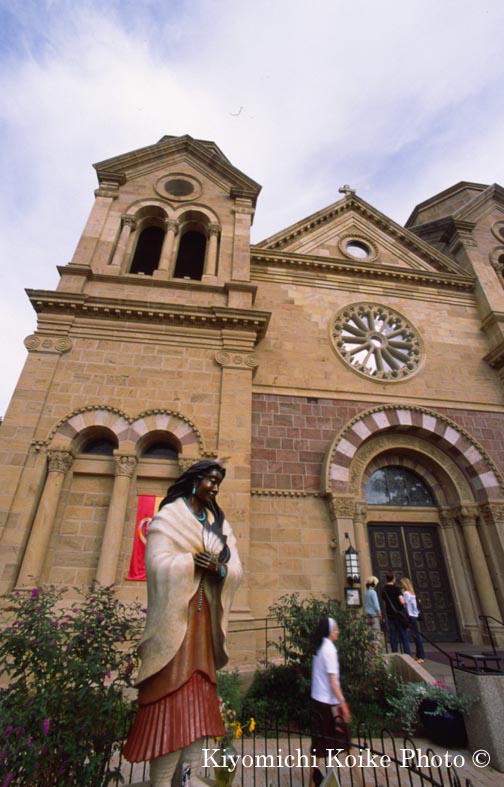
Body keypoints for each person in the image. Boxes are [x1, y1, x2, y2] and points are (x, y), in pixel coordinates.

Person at [123, 460, 243, 787]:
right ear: (194, 480)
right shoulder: (169, 517)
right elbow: (156, 562)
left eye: (218, 483)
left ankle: (188, 777)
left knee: (199, 705)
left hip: (204, 626)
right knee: (170, 703)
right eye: (211, 480)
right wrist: (191, 562)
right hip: (175, 626)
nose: (215, 488)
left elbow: (235, 568)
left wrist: (219, 569)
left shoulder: (219, 524)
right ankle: (162, 782)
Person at [309, 617, 351, 787]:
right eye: (336, 629)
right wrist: (343, 704)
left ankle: (311, 782)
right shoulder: (330, 650)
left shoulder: (319, 648)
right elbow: (333, 682)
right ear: (330, 631)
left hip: (317, 700)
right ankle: (361, 781)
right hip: (329, 703)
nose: (338, 632)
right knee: (346, 742)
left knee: (318, 746)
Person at [381, 573, 412, 656]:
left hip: (390, 614)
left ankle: (394, 652)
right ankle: (407, 653)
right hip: (399, 614)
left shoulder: (384, 590)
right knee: (403, 634)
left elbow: (384, 603)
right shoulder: (396, 588)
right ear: (393, 579)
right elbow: (402, 601)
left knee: (393, 634)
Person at [401, 577, 425, 663]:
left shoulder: (406, 593)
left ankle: (421, 656)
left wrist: (400, 596)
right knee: (416, 635)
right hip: (415, 615)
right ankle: (419, 655)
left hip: (410, 615)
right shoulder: (412, 593)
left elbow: (403, 603)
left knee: (416, 635)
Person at [363, 576, 382, 652]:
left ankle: (371, 649)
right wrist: (379, 613)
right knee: (376, 631)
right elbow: (376, 604)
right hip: (374, 614)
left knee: (370, 632)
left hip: (368, 614)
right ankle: (376, 650)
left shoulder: (366, 592)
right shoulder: (373, 592)